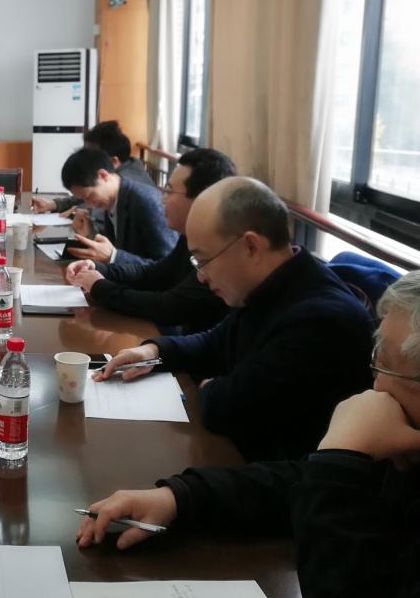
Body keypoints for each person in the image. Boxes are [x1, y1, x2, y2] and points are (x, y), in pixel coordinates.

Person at [77, 271, 420, 598]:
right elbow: (296, 483)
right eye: (376, 361)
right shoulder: (402, 449)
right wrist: (179, 496)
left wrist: (339, 464)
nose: (375, 386)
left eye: (386, 366)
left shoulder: (320, 315)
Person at [94, 176, 373, 461]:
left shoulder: (319, 321)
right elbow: (216, 341)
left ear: (251, 246)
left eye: (203, 261)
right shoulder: (272, 283)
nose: (201, 277)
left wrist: (210, 388)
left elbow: (226, 409)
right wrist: (153, 351)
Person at [66, 148, 235, 334]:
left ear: (203, 198)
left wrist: (99, 286)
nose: (162, 200)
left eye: (169, 191)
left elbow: (169, 307)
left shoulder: (221, 250)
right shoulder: (191, 235)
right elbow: (155, 273)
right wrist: (99, 269)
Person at [58, 147, 178, 267]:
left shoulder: (146, 201)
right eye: (83, 199)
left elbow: (170, 266)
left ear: (103, 175)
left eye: (88, 196)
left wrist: (113, 256)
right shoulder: (112, 198)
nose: (89, 204)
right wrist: (91, 236)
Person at [32, 120, 154, 214]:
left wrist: (77, 211)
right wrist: (52, 204)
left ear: (114, 161)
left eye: (90, 156)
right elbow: (85, 194)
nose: (84, 160)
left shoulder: (130, 186)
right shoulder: (118, 174)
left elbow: (93, 205)